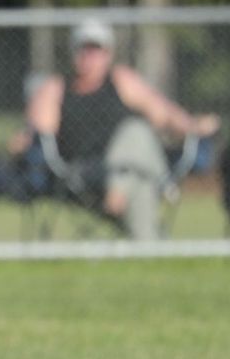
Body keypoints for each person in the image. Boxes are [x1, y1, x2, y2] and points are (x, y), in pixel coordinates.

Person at [24, 19, 217, 240]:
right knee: (140, 175)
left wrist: (194, 126)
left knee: (136, 133)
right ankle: (150, 241)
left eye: (96, 49)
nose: (89, 56)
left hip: (132, 162)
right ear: (73, 52)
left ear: (108, 53)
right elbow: (40, 135)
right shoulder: (57, 89)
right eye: (83, 49)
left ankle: (118, 191)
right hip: (88, 170)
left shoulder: (121, 81)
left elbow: (165, 114)